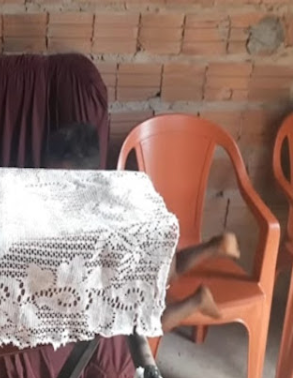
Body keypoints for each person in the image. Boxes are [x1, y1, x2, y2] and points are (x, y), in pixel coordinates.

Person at [43, 123, 241, 333]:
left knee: (142, 325)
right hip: (160, 235)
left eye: (59, 180)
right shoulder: (105, 185)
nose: (53, 186)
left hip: (147, 251)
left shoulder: (85, 208)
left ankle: (195, 301)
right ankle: (214, 246)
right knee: (171, 269)